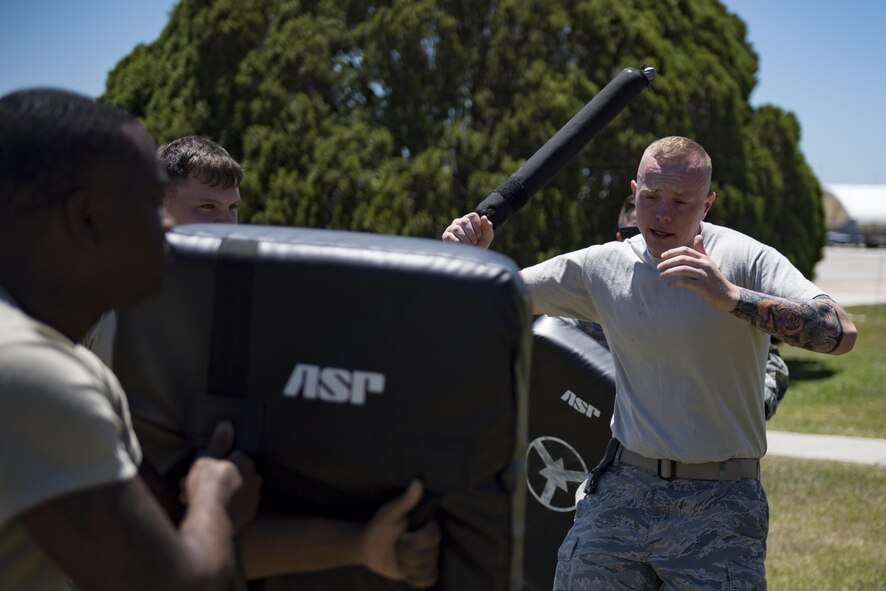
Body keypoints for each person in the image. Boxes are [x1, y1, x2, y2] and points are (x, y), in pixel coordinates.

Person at [443, 135, 857, 589]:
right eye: (653, 196)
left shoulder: (745, 259)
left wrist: (731, 297)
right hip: (623, 488)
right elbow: (496, 301)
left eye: (682, 201)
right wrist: (470, 258)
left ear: (708, 203)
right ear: (634, 190)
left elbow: (840, 332)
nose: (663, 214)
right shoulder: (603, 266)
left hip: (719, 501)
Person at [84, 134, 441, 586]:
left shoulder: (248, 316)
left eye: (233, 208)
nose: (228, 223)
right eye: (208, 208)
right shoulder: (99, 306)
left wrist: (364, 545)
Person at [0, 88, 262, 590]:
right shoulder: (32, 373)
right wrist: (214, 496)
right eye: (148, 202)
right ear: (87, 218)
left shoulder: (64, 361)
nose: (165, 224)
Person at [579, 193, 792, 420]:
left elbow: (773, 366)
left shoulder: (710, 295)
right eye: (634, 234)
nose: (648, 241)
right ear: (619, 239)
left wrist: (738, 412)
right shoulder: (596, 300)